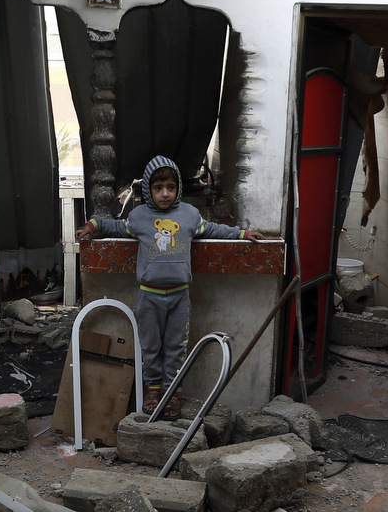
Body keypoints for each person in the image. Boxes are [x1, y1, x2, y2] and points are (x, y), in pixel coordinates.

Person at [77, 156, 268, 417]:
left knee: (176, 348)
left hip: (179, 298)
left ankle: (172, 393)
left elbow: (212, 230)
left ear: (178, 188)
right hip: (149, 298)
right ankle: (154, 391)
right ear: (148, 190)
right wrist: (92, 225)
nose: (165, 194)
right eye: (158, 188)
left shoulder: (189, 215)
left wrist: (242, 234)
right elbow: (116, 226)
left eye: (170, 187)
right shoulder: (140, 216)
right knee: (151, 347)